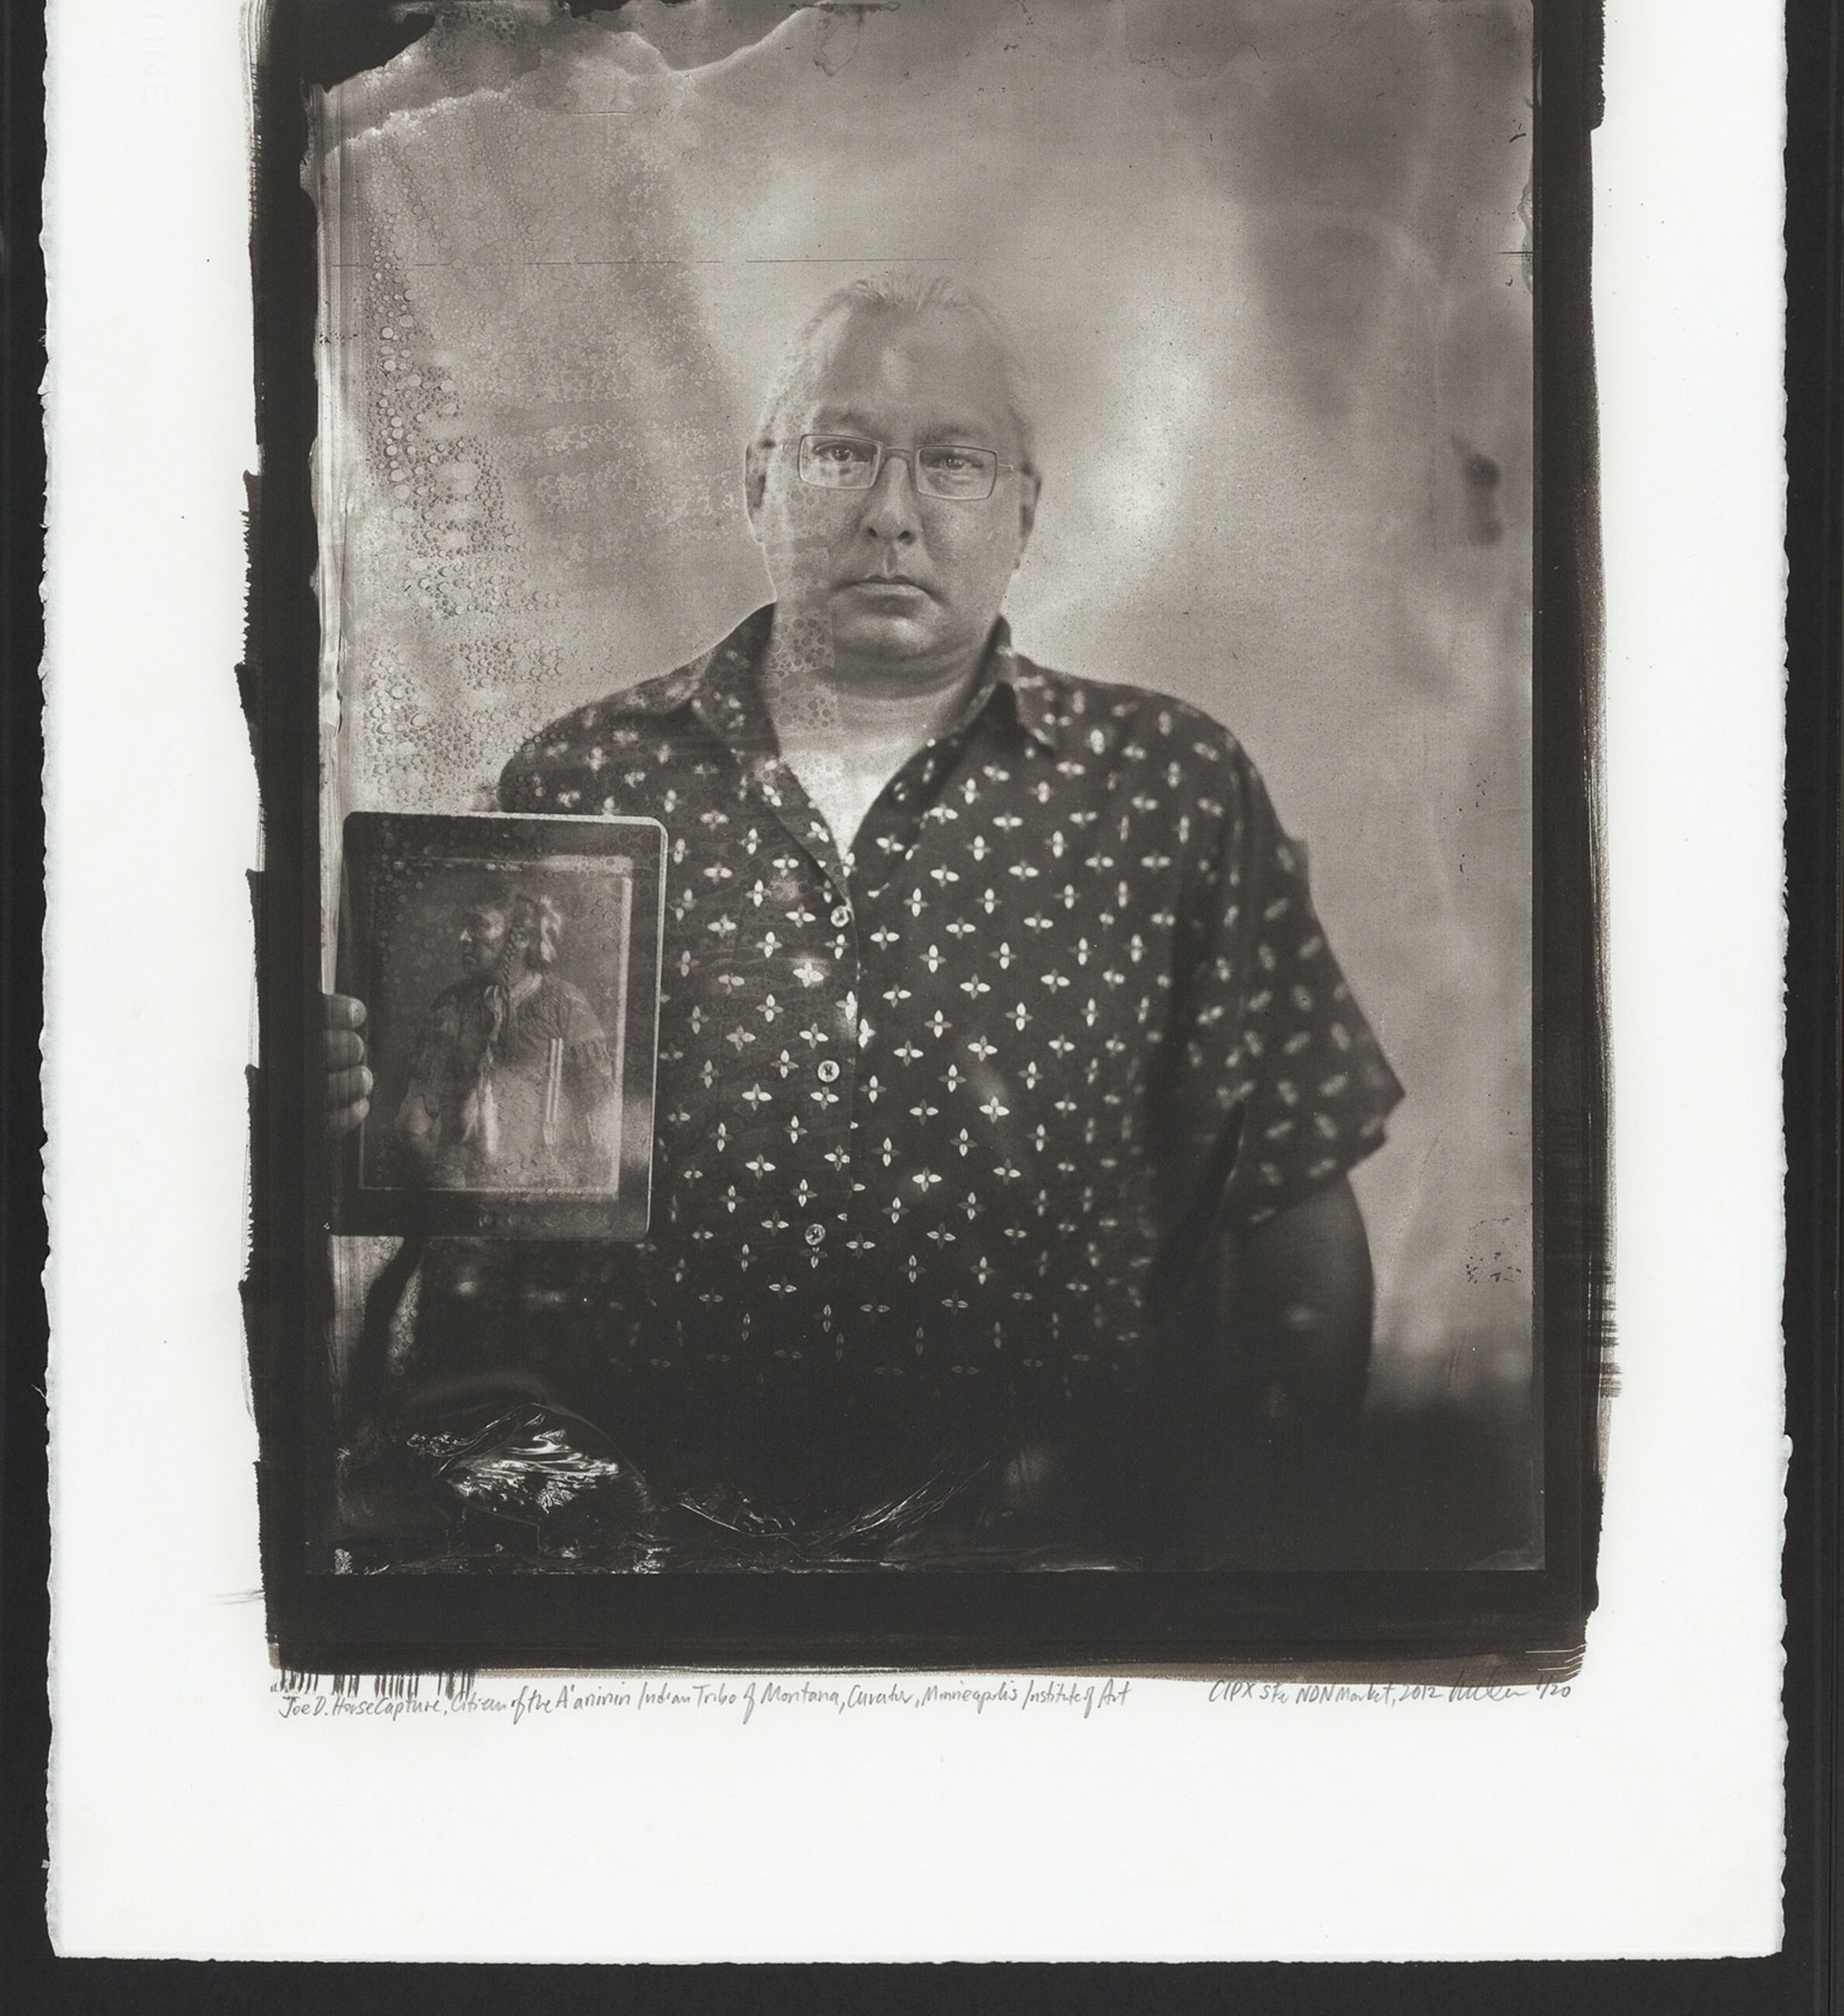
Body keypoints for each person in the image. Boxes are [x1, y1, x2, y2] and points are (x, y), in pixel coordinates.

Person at [326, 274, 1403, 1557]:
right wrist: (355, 1117)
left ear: (1022, 509)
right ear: (757, 482)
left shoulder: (1169, 789)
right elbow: (467, 1249)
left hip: (1065, 1569)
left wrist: (1275, 1564)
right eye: (841, 452)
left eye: (949, 461)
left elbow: (1286, 1202)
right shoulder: (581, 782)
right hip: (649, 1566)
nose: (891, 513)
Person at [392, 886, 620, 1194]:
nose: (463, 938)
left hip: (544, 1191)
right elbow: (414, 1127)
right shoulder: (452, 1005)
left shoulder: (566, 1005)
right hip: (460, 1191)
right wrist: (447, 1180)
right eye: (465, 926)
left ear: (522, 938)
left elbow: (602, 1125)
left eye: (479, 925)